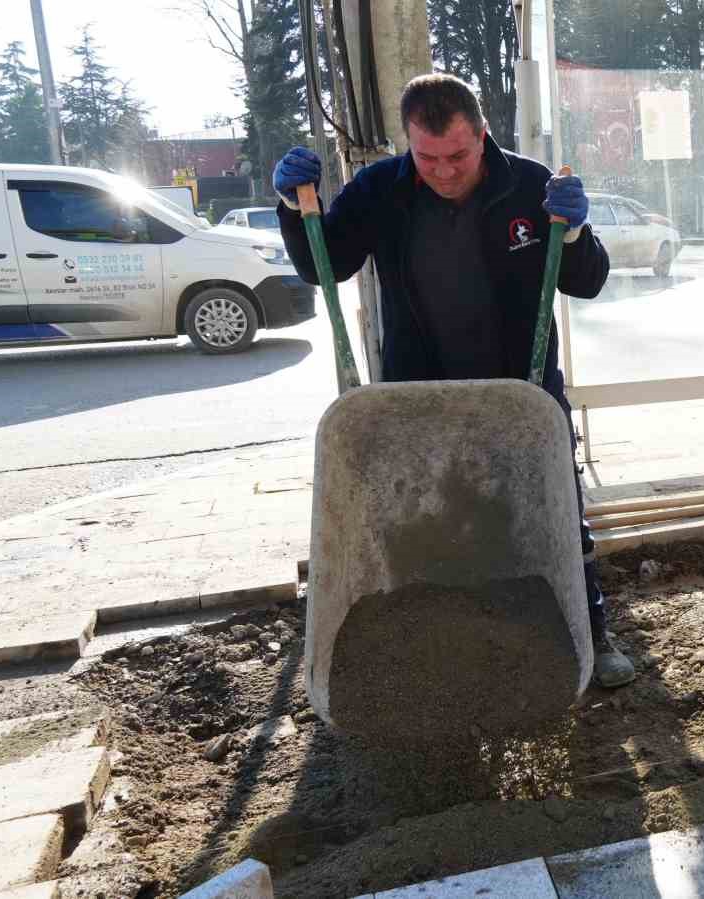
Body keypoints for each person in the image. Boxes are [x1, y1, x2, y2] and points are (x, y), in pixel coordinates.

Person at [271, 73, 636, 689]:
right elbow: (326, 263)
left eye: (458, 155)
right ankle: (445, 649)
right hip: (421, 395)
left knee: (553, 513)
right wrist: (294, 207)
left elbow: (588, 279)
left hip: (519, 392)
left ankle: (589, 635)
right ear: (408, 142)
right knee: (431, 518)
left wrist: (573, 232)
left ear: (483, 133)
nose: (443, 170)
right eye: (428, 157)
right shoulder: (380, 189)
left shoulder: (529, 185)